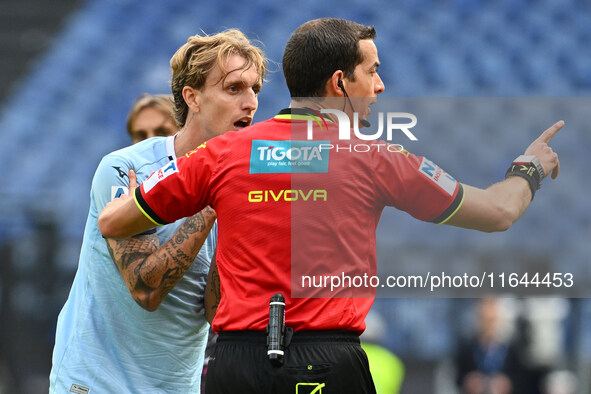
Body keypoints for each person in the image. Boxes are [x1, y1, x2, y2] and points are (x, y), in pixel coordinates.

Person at [98, 18, 562, 394]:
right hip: (325, 363)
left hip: (232, 367)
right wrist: (529, 169)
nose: (380, 86)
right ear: (339, 82)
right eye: (373, 71)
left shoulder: (222, 155)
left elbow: (113, 221)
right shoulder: (377, 157)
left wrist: (146, 193)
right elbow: (498, 212)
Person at [49, 29, 266, 393]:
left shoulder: (241, 186)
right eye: (234, 89)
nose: (250, 103)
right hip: (96, 384)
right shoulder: (126, 169)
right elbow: (146, 288)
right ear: (192, 97)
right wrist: (212, 201)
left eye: (255, 89)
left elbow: (215, 314)